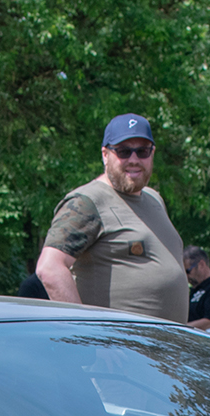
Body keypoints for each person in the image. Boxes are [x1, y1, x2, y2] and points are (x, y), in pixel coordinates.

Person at [35, 114, 187, 321]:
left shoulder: (154, 199)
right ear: (105, 154)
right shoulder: (88, 201)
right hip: (117, 350)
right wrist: (85, 333)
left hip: (165, 349)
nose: (134, 160)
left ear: (152, 153)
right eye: (124, 151)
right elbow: (50, 268)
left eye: (142, 151)